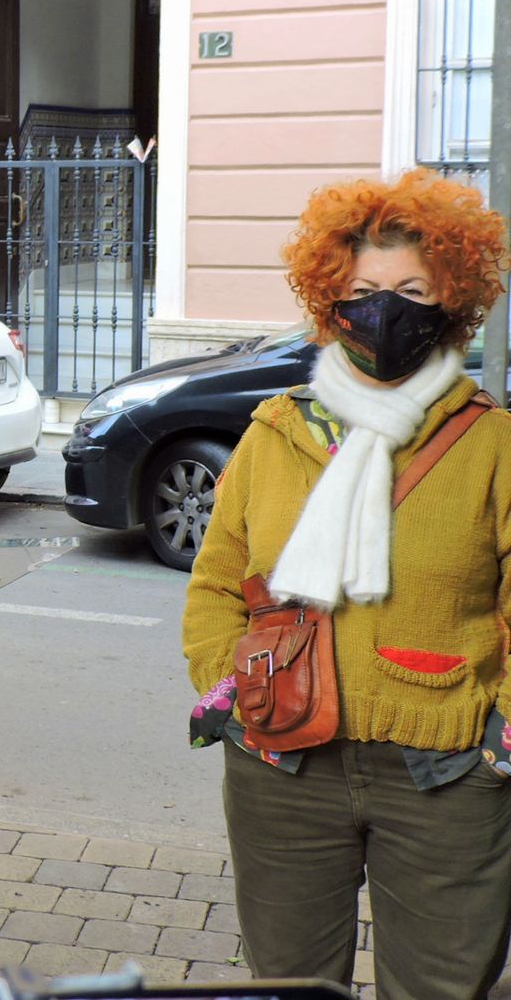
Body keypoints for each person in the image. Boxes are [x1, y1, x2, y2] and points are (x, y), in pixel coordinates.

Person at [183, 169, 511, 997]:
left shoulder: (494, 444)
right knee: (288, 987)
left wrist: (497, 745)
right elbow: (218, 581)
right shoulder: (276, 432)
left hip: (446, 776)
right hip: (281, 765)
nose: (386, 309)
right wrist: (234, 690)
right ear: (332, 303)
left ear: (454, 302)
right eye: (364, 290)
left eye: (412, 288)